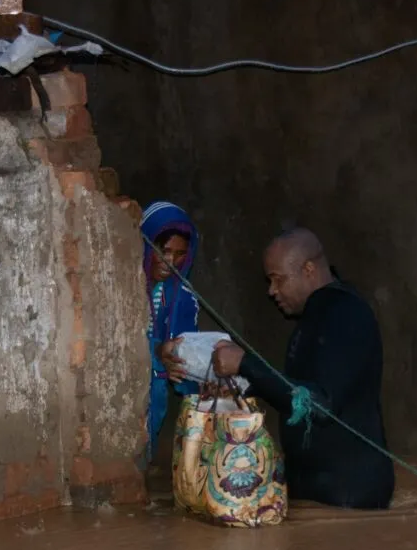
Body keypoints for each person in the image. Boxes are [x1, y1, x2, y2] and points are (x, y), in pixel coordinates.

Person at [211, 228, 395, 509]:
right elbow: (300, 390)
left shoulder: (344, 313)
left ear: (308, 269)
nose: (272, 291)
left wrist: (246, 364)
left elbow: (319, 404)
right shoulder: (321, 313)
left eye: (279, 279)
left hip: (348, 493)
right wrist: (245, 382)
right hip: (323, 489)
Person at [140, 201, 202, 464]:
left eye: (180, 254)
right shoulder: (125, 286)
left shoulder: (183, 298)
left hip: (155, 396)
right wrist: (156, 351)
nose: (171, 262)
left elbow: (186, 351)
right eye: (163, 250)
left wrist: (198, 375)